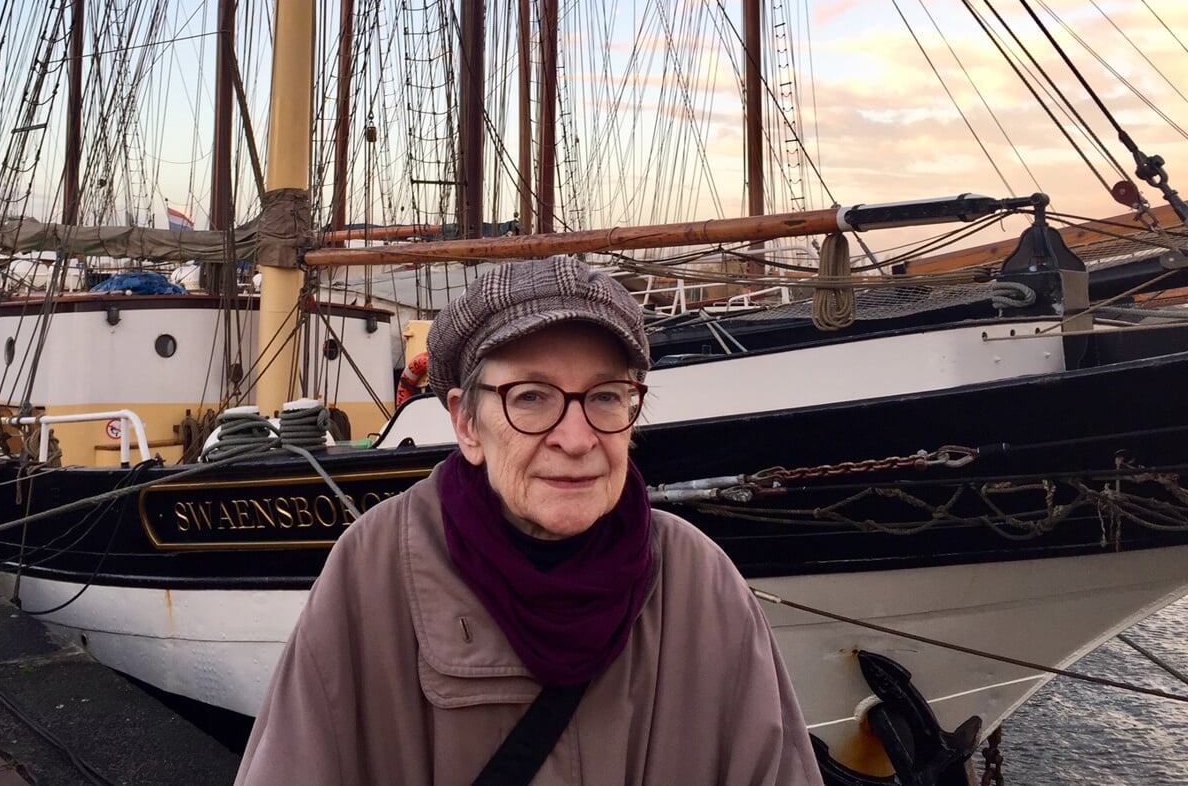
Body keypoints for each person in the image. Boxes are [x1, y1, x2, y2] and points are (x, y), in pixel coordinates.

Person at [234, 255, 824, 785]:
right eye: (532, 397)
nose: (576, 438)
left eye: (606, 396)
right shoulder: (374, 573)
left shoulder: (701, 584)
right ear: (467, 425)